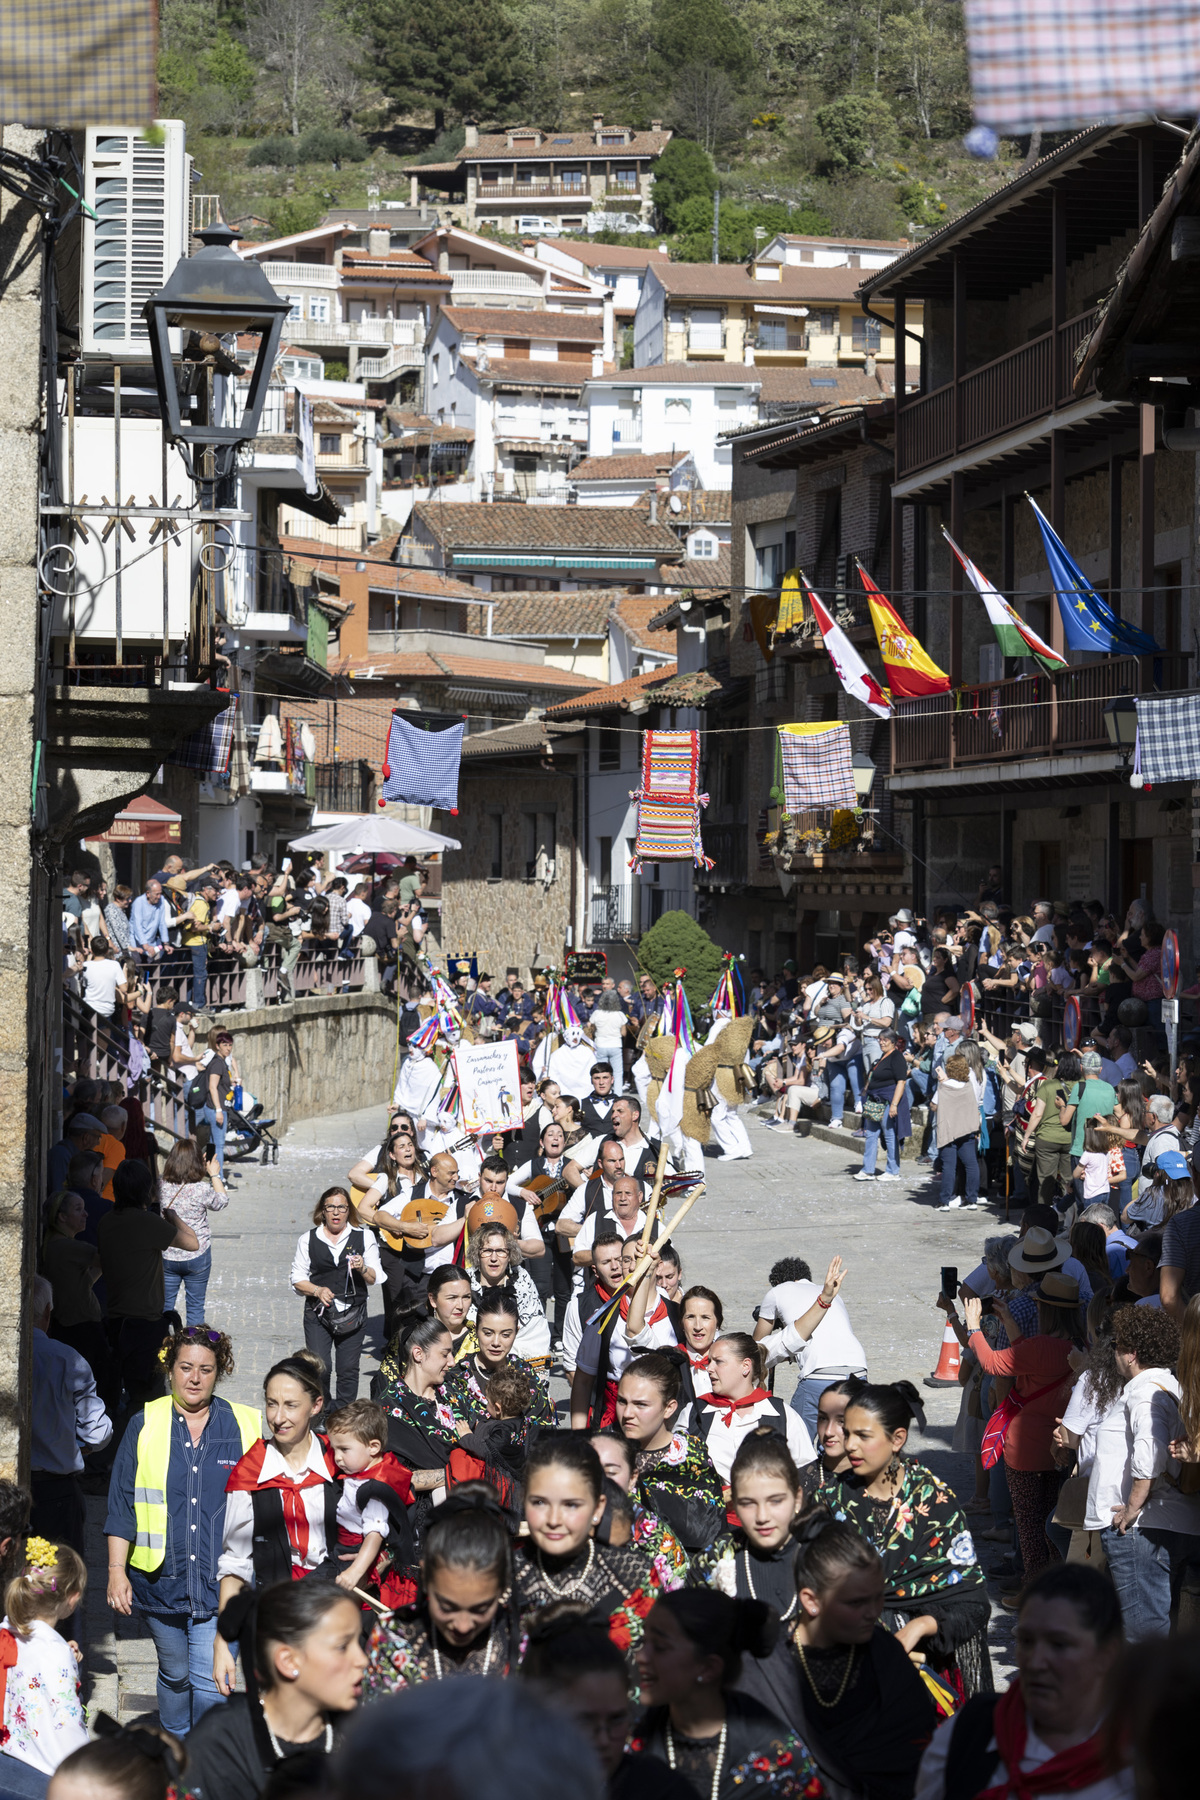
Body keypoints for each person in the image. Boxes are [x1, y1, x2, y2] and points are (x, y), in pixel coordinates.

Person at [105, 1324, 259, 1733]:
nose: (195, 1378)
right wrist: (116, 1571)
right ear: (169, 1369)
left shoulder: (246, 1426)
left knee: (210, 1682)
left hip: (220, 1581)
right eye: (186, 1367)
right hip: (161, 1580)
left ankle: (203, 1764)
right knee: (174, 1675)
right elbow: (122, 1502)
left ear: (219, 1371)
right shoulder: (144, 1423)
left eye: (206, 1369)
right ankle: (174, 1749)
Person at [816, 1381, 992, 1696]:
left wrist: (919, 1626)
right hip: (852, 1667)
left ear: (897, 1438)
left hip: (925, 1675)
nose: (850, 1445)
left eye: (863, 1436)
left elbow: (973, 1603)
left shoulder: (936, 1504)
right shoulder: (831, 1499)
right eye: (848, 1433)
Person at [913, 1564, 1129, 1800]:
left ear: (1108, 1653)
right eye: (1027, 1641)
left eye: (1059, 1644)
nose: (1035, 1662)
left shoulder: (1140, 1765)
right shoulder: (970, 1732)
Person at [213, 1351, 341, 1695]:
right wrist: (224, 1641)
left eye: (290, 1405)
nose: (278, 1417)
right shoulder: (251, 1471)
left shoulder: (339, 1462)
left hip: (336, 1617)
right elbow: (235, 1563)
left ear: (316, 1406)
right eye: (271, 1404)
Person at [184, 1580, 366, 1800]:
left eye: (358, 1643)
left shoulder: (362, 1737)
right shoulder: (218, 1744)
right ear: (288, 1661)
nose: (362, 1660)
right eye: (342, 1647)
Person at [631, 1590, 821, 1799]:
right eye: (644, 1640)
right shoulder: (630, 1742)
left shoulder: (777, 1757)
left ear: (708, 1668)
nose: (641, 1656)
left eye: (659, 1647)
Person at [963, 1274, 1081, 1595]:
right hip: (1059, 1447)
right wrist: (1010, 1323)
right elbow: (1027, 1357)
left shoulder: (1041, 1346)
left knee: (1029, 1525)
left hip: (1025, 1449)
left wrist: (974, 1327)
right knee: (1051, 1525)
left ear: (1047, 1310)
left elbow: (994, 1363)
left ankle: (1033, 1590)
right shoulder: (1077, 1347)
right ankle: (1052, 1587)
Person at [1092, 1304, 1198, 1639]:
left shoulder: (1144, 1393)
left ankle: (1147, 1693)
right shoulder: (1171, 1387)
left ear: (1132, 1352)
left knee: (1144, 1639)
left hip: (1143, 1528)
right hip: (1171, 1522)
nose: (1114, 1354)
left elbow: (1149, 1450)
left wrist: (1132, 1507)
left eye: (1115, 1346)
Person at [514, 1437, 666, 1664]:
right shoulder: (502, 1576)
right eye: (539, 1503)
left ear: (598, 1508)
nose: (554, 1520)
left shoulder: (635, 1575)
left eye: (571, 1505)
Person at [521, 1606, 697, 1800]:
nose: (603, 1740)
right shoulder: (496, 1785)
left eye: (616, 1719)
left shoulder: (662, 1791)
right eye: (585, 1722)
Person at [363, 1487, 519, 1691]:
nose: (462, 1626)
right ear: (426, 1577)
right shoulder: (394, 1637)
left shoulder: (522, 1634)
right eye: (447, 1607)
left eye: (480, 1610)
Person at [97, 1161, 199, 1409]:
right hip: (145, 1324)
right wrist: (173, 1218)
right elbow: (193, 1243)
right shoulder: (147, 1222)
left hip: (116, 1320)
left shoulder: (106, 1221)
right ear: (146, 1190)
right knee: (148, 1398)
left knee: (124, 1392)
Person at [29, 1275, 111, 1566]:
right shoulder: (67, 1360)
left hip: (9, 1491)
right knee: (56, 1585)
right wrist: (74, 1444)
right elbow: (97, 1433)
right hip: (55, 1493)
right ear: (48, 1312)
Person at [616, 1354, 725, 1566]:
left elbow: (712, 1542)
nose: (628, 1413)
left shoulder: (693, 1462)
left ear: (669, 1408)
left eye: (641, 1404)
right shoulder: (602, 1454)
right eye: (622, 1401)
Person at [0, 1538, 89, 1795]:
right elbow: (67, 1723)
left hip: (10, 1755)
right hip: (43, 1771)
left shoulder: (8, 1630)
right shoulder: (55, 1651)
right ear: (73, 1598)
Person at [679, 1333, 814, 1487]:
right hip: (708, 1510)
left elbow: (806, 1477)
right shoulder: (694, 1413)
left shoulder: (782, 1415)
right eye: (710, 1361)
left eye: (719, 1362)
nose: (709, 1368)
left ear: (745, 1366)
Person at [753, 1257, 867, 1437]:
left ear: (776, 1282)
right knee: (845, 1436)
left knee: (798, 1439)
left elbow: (757, 1348)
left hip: (818, 1374)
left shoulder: (777, 1292)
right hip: (858, 1371)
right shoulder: (829, 1294)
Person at [291, 1187, 382, 1406]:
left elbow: (375, 1277)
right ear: (322, 1211)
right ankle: (322, 1412)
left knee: (348, 1369)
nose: (336, 1212)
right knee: (320, 1366)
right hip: (318, 1314)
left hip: (353, 1314)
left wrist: (362, 1268)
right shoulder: (308, 1239)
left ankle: (343, 1415)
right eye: (330, 1207)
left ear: (348, 1210)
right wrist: (317, 1290)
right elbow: (297, 1278)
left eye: (341, 1207)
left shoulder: (364, 1236)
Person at [379, 1317, 463, 1527]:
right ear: (418, 1354)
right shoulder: (389, 1409)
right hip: (420, 1519)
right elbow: (391, 1476)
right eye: (445, 1354)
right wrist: (457, 1474)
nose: (452, 1362)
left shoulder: (454, 1391)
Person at [442, 1288, 556, 1432]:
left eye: (506, 1335)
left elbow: (543, 1429)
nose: (496, 1342)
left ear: (516, 1332)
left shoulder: (526, 1375)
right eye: (488, 1333)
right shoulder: (457, 1377)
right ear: (476, 1330)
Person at [159, 1138, 228, 1327]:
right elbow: (222, 1201)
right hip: (197, 1254)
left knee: (164, 1308)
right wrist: (214, 1174)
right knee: (196, 1308)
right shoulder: (201, 1189)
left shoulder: (159, 1185)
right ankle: (194, 1350)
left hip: (167, 1254)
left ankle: (161, 1347)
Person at [466, 1221, 552, 1367]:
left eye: (501, 1251)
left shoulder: (523, 1285)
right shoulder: (464, 1284)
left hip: (516, 1371)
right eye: (487, 1250)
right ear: (477, 1253)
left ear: (510, 1254)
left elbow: (536, 1338)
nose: (494, 1258)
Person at [855, 1028, 909, 1183]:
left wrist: (894, 1105)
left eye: (885, 1039)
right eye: (880, 1039)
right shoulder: (882, 1057)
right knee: (871, 1134)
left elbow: (901, 1081)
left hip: (888, 1101)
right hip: (875, 1100)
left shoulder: (897, 1057)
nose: (881, 1042)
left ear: (893, 1042)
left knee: (890, 1134)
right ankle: (867, 1169)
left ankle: (893, 1171)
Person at [934, 1052, 981, 1210]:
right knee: (971, 1164)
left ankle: (944, 1201)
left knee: (949, 1166)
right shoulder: (968, 1086)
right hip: (967, 1129)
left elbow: (934, 1105)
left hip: (949, 1131)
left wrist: (943, 1081)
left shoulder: (943, 1087)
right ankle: (972, 1199)